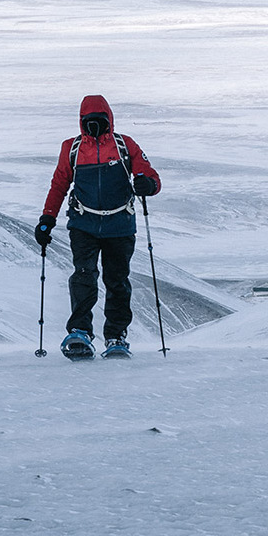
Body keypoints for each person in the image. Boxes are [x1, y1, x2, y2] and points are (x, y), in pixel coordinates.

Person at [34, 95, 161, 360]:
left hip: (119, 225)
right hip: (84, 224)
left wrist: (148, 185)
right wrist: (47, 218)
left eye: (99, 121)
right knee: (84, 276)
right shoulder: (72, 148)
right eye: (88, 121)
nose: (94, 126)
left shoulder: (125, 145)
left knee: (116, 281)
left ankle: (115, 335)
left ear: (109, 120)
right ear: (81, 122)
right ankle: (81, 331)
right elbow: (58, 184)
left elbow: (150, 175)